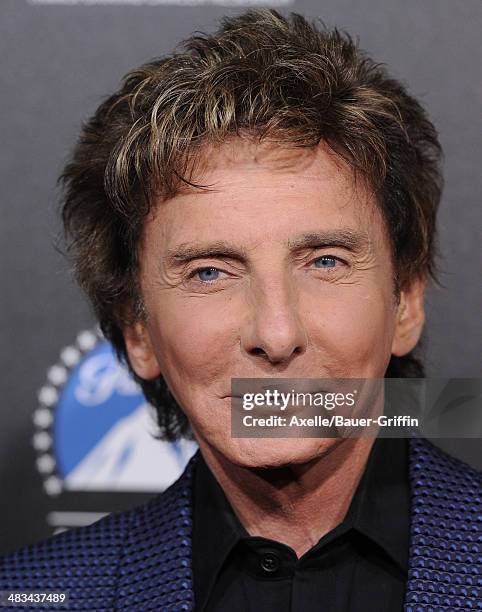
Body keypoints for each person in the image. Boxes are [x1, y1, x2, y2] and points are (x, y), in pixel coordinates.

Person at [1, 8, 480, 611]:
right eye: (210, 272)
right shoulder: (35, 595)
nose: (276, 334)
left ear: (405, 301)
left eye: (325, 261)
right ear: (139, 329)